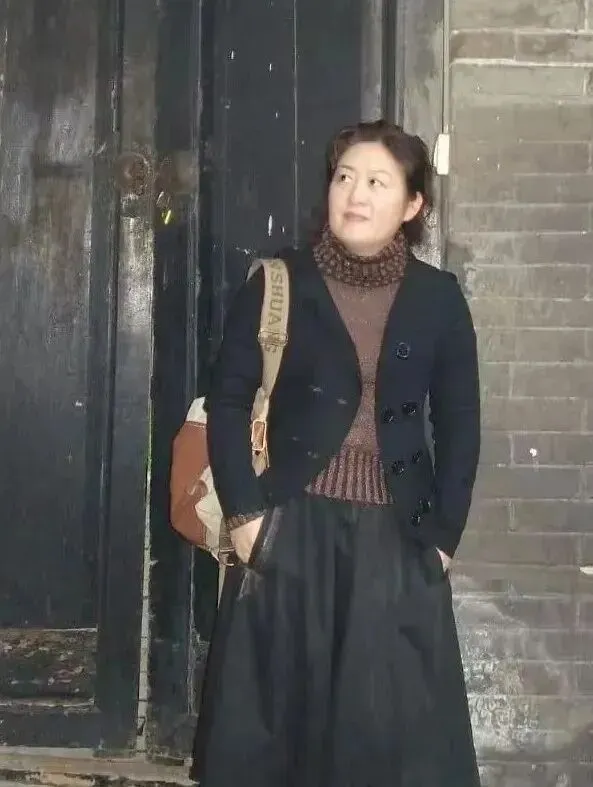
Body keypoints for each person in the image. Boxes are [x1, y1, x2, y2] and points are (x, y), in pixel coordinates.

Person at [190, 120, 481, 787]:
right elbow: (228, 403)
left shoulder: (438, 298)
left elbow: (460, 423)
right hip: (290, 525)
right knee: (275, 733)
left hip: (396, 536)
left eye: (377, 181)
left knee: (387, 737)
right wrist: (246, 517)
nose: (355, 194)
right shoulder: (277, 284)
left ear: (412, 204)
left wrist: (443, 536)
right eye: (344, 177)